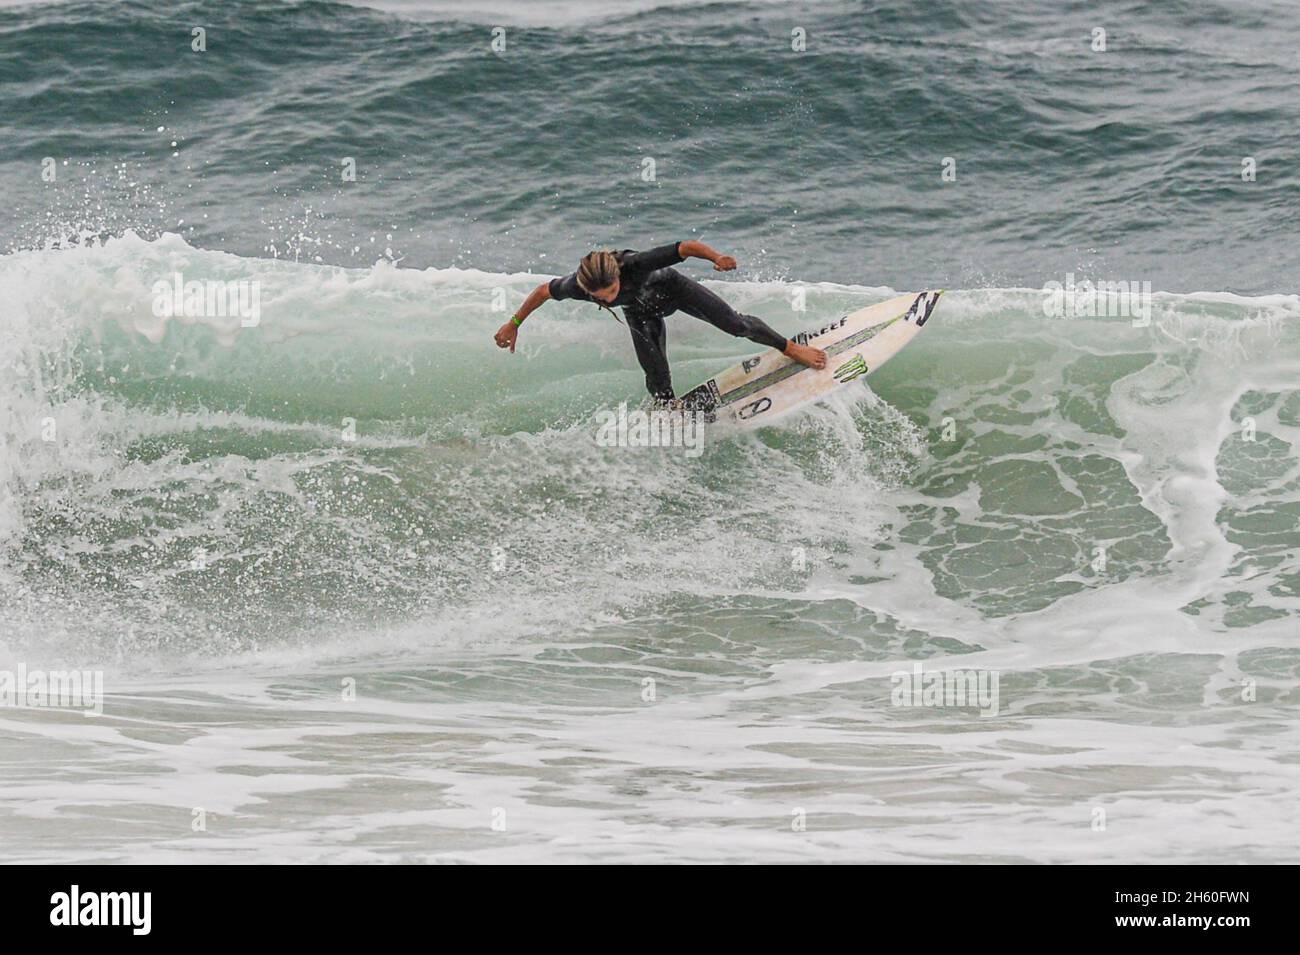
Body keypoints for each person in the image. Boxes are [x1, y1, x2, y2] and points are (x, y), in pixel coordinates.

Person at [493, 240, 826, 401]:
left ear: (617, 276)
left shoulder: (635, 264)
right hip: (641, 312)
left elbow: (684, 247)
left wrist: (717, 257)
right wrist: (514, 324)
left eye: (610, 291)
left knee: (737, 326)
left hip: (674, 290)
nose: (606, 298)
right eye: (600, 297)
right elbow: (542, 292)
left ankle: (790, 347)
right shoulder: (578, 287)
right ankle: (669, 412)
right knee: (656, 375)